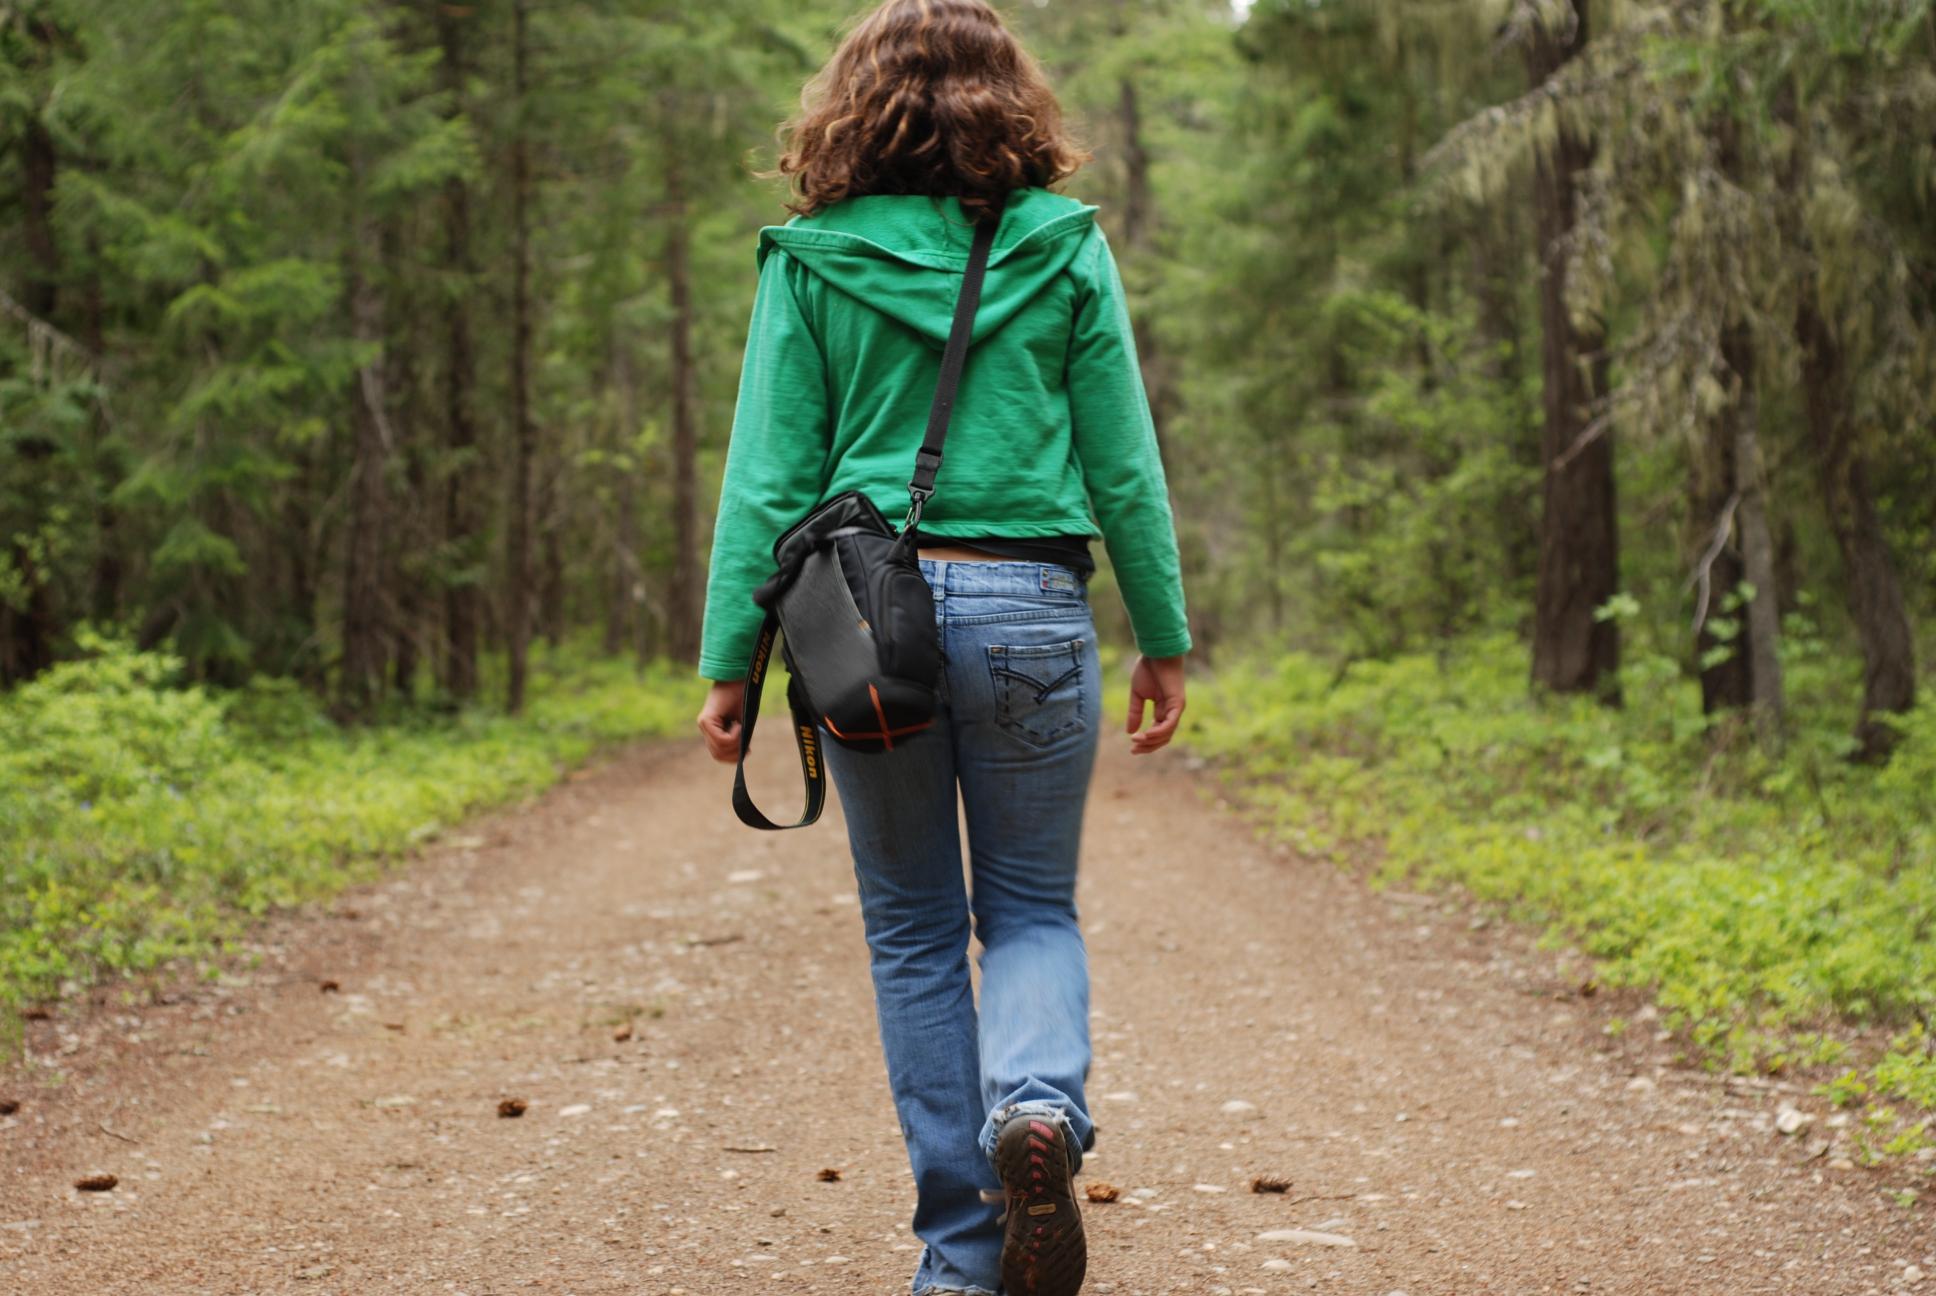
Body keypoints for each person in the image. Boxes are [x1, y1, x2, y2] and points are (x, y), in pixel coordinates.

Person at [693, 3, 1189, 1292]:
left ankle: (962, 1259)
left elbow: (768, 478)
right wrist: (1164, 634)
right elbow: (1124, 465)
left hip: (864, 622)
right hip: (1032, 604)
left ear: (853, 106)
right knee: (1026, 906)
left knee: (914, 931)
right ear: (1008, 101)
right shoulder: (1062, 245)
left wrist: (731, 661)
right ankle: (1034, 1106)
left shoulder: (810, 258)